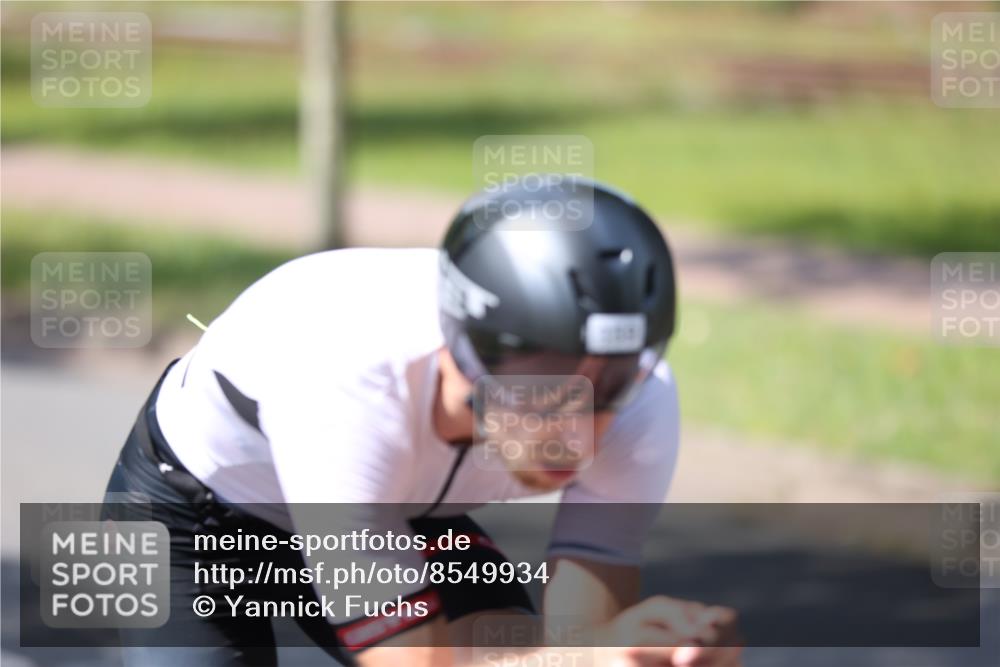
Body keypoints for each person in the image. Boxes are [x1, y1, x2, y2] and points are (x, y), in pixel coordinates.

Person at [104, 176, 742, 666]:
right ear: (467, 354)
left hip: (396, 506)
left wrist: (646, 652)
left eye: (610, 391)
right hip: (195, 518)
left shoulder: (645, 398)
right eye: (547, 395)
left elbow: (579, 643)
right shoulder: (347, 382)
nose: (580, 433)